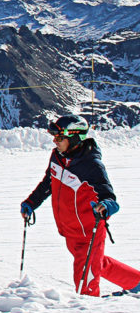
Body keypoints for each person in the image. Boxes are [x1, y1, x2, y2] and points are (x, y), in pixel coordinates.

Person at [21, 115, 140, 297]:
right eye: (54, 137)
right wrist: (31, 202)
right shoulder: (57, 156)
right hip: (70, 231)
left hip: (89, 232)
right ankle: (137, 282)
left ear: (74, 137)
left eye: (59, 138)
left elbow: (110, 198)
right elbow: (48, 183)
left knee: (86, 285)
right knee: (96, 263)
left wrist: (106, 205)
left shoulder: (91, 165)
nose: (55, 141)